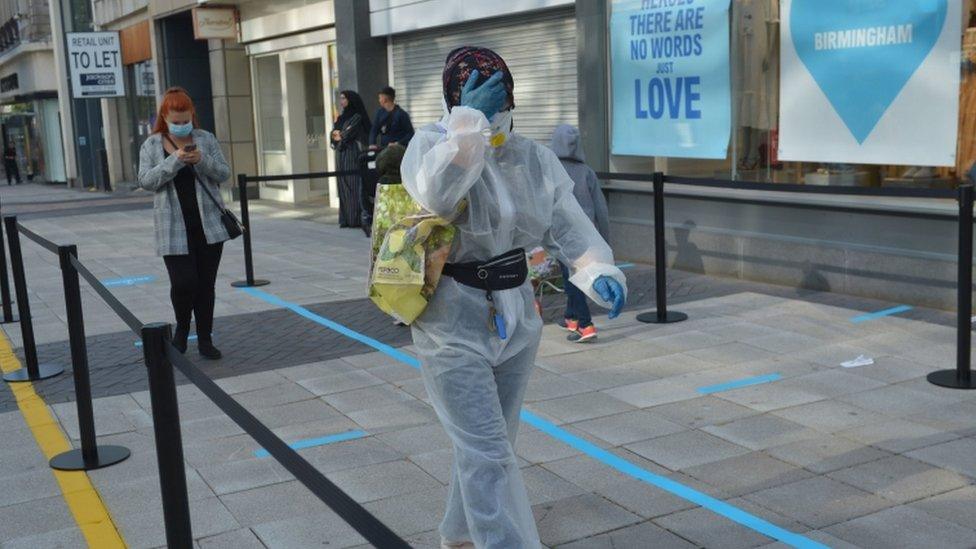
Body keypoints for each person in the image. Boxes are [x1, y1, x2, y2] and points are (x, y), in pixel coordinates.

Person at [401, 46, 626, 549]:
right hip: (451, 318)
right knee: (487, 452)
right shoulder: (430, 145)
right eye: (485, 99)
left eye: (503, 98)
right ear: (456, 99)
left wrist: (595, 267)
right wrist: (468, 131)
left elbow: (568, 222)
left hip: (516, 311)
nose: (499, 112)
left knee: (494, 441)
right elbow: (436, 195)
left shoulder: (531, 156)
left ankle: (458, 534)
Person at [138, 87, 231, 359]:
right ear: (164, 117)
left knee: (206, 285)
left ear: (192, 114)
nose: (181, 125)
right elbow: (146, 181)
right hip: (172, 229)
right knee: (183, 283)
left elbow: (224, 173)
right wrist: (174, 161)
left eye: (185, 120)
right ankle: (181, 331)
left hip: (208, 227)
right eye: (175, 121)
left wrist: (201, 160)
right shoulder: (152, 145)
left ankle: (205, 339)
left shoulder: (206, 139)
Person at [550, 124, 611, 343]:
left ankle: (586, 325)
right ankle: (571, 318)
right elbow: (601, 208)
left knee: (574, 277)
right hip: (587, 233)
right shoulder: (587, 172)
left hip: (563, 233)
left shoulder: (552, 169)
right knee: (573, 274)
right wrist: (605, 237)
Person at [330, 90, 371, 228]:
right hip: (340, 153)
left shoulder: (356, 116)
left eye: (344, 98)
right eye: (340, 98)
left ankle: (355, 219)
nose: (341, 101)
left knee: (352, 184)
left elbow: (346, 134)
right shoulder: (341, 117)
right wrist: (336, 134)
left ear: (350, 100)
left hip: (351, 153)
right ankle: (345, 219)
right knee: (342, 184)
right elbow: (334, 133)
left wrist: (339, 134)